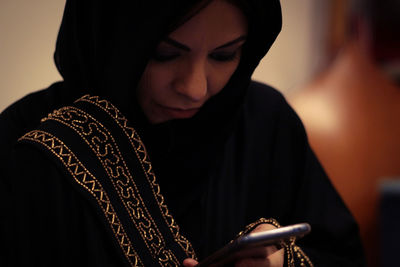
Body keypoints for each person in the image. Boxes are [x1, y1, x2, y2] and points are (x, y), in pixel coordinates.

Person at [0, 0, 365, 266]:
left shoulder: (264, 123)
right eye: (164, 54)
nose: (194, 88)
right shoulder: (29, 141)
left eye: (224, 56)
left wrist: (280, 263)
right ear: (112, 39)